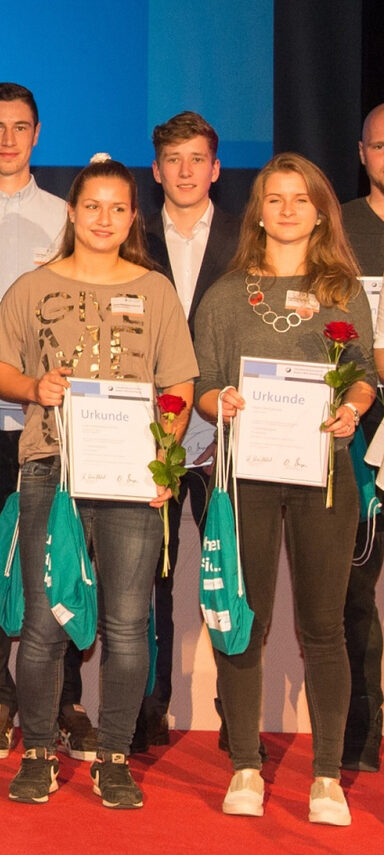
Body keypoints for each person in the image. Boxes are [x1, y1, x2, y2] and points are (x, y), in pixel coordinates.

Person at [0, 157, 196, 810]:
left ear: (133, 217)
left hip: (131, 479)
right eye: (92, 206)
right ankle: (40, 751)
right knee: (46, 625)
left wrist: (165, 461)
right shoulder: (33, 285)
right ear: (72, 212)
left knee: (128, 627)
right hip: (51, 470)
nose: (104, 219)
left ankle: (113, 754)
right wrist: (33, 387)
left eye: (118, 208)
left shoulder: (155, 290)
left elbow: (179, 386)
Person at [194, 152, 375, 825]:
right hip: (247, 477)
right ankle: (246, 762)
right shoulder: (224, 294)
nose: (289, 209)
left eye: (302, 198)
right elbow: (203, 386)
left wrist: (353, 406)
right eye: (276, 198)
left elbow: (363, 374)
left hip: (324, 475)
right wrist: (221, 403)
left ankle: (326, 775)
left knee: (323, 627)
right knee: (245, 623)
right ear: (260, 210)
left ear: (320, 209)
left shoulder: (343, 291)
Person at [0, 82, 97, 762]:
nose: (8, 139)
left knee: (61, 559)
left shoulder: (72, 219)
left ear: (38, 134)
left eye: (21, 127)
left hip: (56, 426)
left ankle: (63, 701)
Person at [136, 110, 240, 754]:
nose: (184, 171)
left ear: (215, 168)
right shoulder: (132, 237)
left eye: (196, 159)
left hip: (227, 433)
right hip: (152, 433)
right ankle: (152, 707)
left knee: (228, 572)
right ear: (156, 170)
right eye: (173, 160)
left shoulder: (245, 237)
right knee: (152, 576)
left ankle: (237, 707)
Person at [345, 101, 384, 773]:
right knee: (352, 591)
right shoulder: (340, 231)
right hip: (356, 434)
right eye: (382, 144)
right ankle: (361, 734)